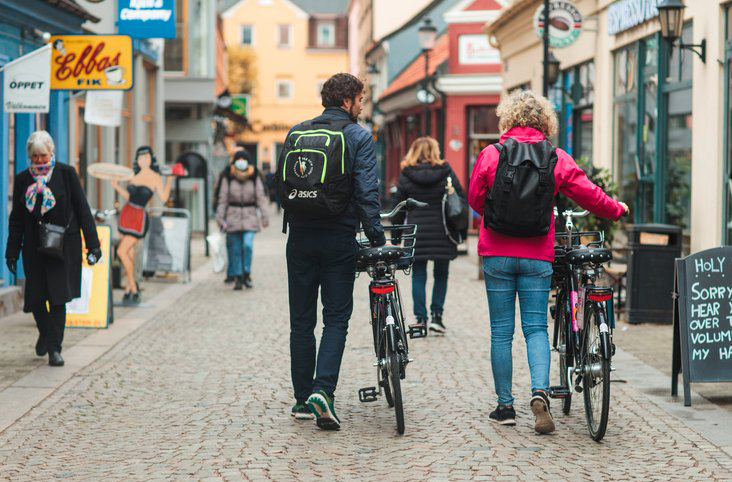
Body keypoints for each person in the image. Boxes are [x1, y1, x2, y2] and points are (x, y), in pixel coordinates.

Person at [467, 91, 629, 434]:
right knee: (536, 328)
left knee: (500, 331)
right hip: (538, 253)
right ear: (545, 121)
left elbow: (475, 199)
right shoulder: (556, 157)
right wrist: (616, 210)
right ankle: (540, 391)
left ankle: (505, 407)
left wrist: (496, 217)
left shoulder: (491, 154)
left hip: (496, 252)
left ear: (507, 118)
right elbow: (588, 193)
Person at [283, 73, 385, 429]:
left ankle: (300, 399)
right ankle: (323, 391)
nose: (362, 105)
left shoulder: (297, 132)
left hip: (298, 236)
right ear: (347, 101)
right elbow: (366, 191)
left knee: (301, 320)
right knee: (336, 318)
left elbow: (281, 184)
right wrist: (376, 237)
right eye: (360, 99)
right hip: (339, 237)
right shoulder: (358, 136)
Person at [5, 130, 101, 367]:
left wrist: (93, 245)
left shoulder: (66, 173)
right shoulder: (22, 179)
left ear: (51, 153)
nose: (40, 160)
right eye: (35, 156)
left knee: (58, 299)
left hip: (62, 248)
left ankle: (55, 349)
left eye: (43, 155)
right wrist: (11, 251)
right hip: (34, 248)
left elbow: (82, 210)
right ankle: (46, 333)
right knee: (36, 299)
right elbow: (16, 219)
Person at [391, 136, 466, 335]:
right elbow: (461, 200)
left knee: (418, 275)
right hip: (443, 232)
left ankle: (421, 319)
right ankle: (437, 317)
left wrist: (397, 236)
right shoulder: (446, 171)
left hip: (416, 233)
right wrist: (462, 233)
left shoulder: (406, 174)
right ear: (435, 151)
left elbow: (398, 207)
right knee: (441, 275)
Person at [111, 146, 173, 304]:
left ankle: (133, 286)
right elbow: (129, 196)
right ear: (137, 160)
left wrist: (170, 180)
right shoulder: (134, 175)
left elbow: (164, 198)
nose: (143, 160)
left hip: (138, 217)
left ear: (151, 159)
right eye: (140, 157)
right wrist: (117, 186)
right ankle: (129, 290)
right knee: (129, 254)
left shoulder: (155, 177)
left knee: (121, 252)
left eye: (146, 157)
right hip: (126, 214)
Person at [215, 150, 270, 290]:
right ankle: (238, 277)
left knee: (247, 245)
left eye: (243, 159)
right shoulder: (228, 176)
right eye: (237, 159)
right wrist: (220, 218)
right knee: (235, 249)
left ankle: (247, 272)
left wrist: (264, 216)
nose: (240, 161)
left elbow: (261, 198)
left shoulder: (254, 176)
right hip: (232, 217)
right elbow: (223, 199)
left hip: (250, 216)